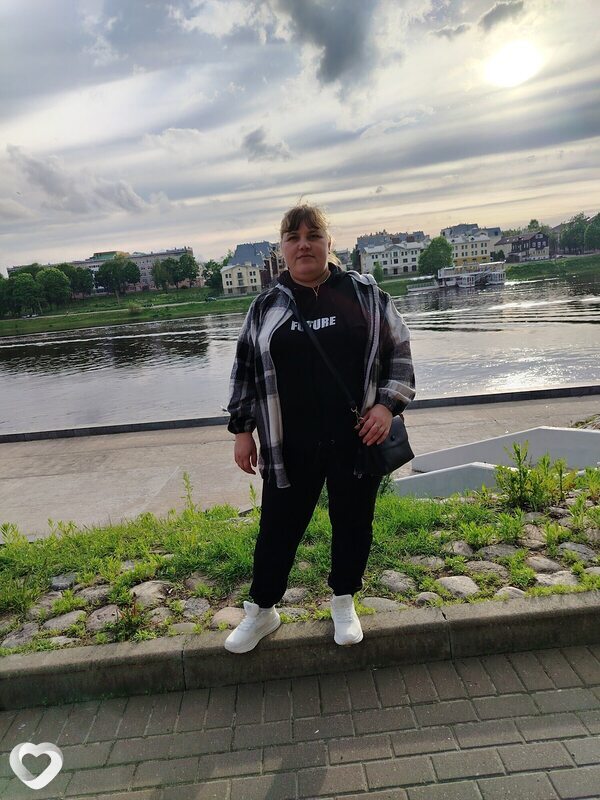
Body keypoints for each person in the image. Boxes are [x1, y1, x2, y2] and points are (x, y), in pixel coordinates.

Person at [225, 204, 415, 653]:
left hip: (356, 437)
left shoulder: (365, 294)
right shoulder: (266, 306)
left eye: (313, 236)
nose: (304, 245)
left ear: (329, 243)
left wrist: (386, 406)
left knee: (353, 522)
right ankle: (263, 610)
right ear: (282, 249)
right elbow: (245, 370)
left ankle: (344, 601)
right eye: (293, 238)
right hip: (288, 442)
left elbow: (400, 353)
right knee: (278, 527)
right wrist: (242, 430)